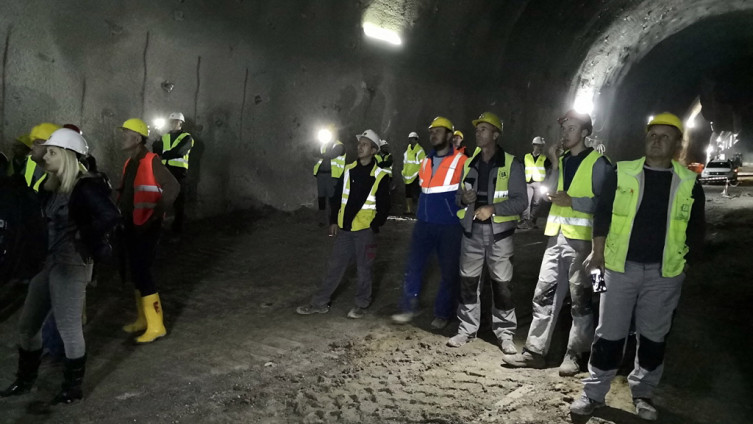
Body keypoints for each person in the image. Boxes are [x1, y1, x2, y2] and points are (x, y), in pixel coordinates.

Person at [570, 113, 705, 421]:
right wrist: (597, 253)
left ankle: (643, 393)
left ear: (677, 144)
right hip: (617, 270)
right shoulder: (621, 172)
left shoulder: (689, 183)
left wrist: (685, 266)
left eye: (665, 136)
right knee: (608, 334)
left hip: (665, 275)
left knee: (654, 338)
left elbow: (697, 230)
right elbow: (602, 214)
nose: (656, 141)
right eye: (652, 135)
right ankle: (593, 394)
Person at [0, 128, 120, 404]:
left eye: (52, 153)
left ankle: (72, 388)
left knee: (69, 329)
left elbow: (111, 216)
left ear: (66, 156)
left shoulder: (85, 186)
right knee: (27, 326)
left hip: (72, 264)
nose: (46, 157)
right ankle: (25, 380)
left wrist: (84, 235)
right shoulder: (51, 185)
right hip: (48, 261)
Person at [502, 110, 612, 376]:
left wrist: (573, 201)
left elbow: (606, 205)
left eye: (572, 128)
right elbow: (547, 192)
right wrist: (553, 161)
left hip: (584, 244)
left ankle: (576, 355)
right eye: (564, 129)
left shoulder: (599, 163)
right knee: (544, 295)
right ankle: (534, 352)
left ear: (585, 133)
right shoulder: (562, 161)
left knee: (581, 300)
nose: (565, 133)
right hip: (556, 237)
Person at [446, 112, 527, 353]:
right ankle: (466, 329)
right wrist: (464, 198)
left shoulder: (511, 164)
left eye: (483, 129)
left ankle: (505, 333)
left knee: (502, 285)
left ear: (495, 134)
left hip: (499, 235)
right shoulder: (469, 163)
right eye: (477, 129)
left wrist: (492, 209)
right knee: (468, 283)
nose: (478, 133)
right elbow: (457, 197)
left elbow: (521, 201)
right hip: (471, 232)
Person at [296, 129, 390, 318]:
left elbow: (384, 206)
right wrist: (333, 221)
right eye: (359, 144)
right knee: (335, 266)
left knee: (364, 268)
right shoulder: (348, 170)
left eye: (365, 144)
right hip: (345, 229)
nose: (360, 147)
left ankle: (361, 304)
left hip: (365, 231)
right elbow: (337, 197)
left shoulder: (380, 176)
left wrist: (374, 225)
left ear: (373, 150)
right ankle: (319, 303)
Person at [391, 116, 467, 329]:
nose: (433, 134)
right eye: (431, 131)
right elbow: (425, 191)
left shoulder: (462, 161)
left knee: (449, 272)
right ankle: (408, 307)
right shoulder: (425, 161)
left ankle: (443, 312)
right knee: (413, 266)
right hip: (424, 223)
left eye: (438, 131)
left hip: (449, 225)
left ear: (449, 136)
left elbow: (467, 192)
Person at [119, 118, 179, 343]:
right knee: (136, 271)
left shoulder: (151, 160)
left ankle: (156, 326)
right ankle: (143, 319)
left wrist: (156, 214)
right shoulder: (130, 162)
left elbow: (173, 186)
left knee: (143, 271)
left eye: (126, 134)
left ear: (137, 138)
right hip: (132, 224)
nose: (122, 138)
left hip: (147, 225)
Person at [152, 112, 193, 235]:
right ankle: (158, 228)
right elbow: (156, 151)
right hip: (165, 171)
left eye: (176, 121)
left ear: (181, 123)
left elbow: (179, 152)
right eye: (172, 121)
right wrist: (156, 138)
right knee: (161, 200)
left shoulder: (187, 137)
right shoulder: (165, 136)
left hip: (179, 173)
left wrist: (164, 155)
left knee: (179, 202)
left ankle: (177, 231)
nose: (173, 123)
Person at [313, 133, 346, 227]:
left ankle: (334, 221)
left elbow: (331, 155)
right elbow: (314, 152)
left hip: (332, 176)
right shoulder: (323, 145)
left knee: (333, 199)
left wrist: (319, 154)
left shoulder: (339, 146)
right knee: (321, 199)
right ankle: (322, 221)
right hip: (321, 175)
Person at [519, 136, 550, 229]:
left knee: (537, 203)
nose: (538, 147)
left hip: (539, 183)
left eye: (540, 146)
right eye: (536, 145)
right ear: (533, 145)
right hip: (528, 182)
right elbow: (521, 168)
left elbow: (550, 170)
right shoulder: (526, 157)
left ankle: (531, 221)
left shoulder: (544, 158)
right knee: (526, 202)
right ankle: (525, 220)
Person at [22, 123, 61, 192]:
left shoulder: (65, 176)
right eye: (33, 143)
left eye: (37, 143)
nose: (31, 147)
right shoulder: (29, 162)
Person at [401, 131, 425, 215]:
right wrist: (403, 173)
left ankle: (420, 210)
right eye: (409, 139)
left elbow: (423, 164)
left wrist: (421, 175)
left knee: (417, 193)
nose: (411, 140)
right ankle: (409, 210)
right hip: (407, 176)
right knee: (408, 194)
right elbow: (405, 163)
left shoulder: (420, 151)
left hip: (416, 175)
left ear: (416, 140)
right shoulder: (407, 151)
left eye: (412, 139)